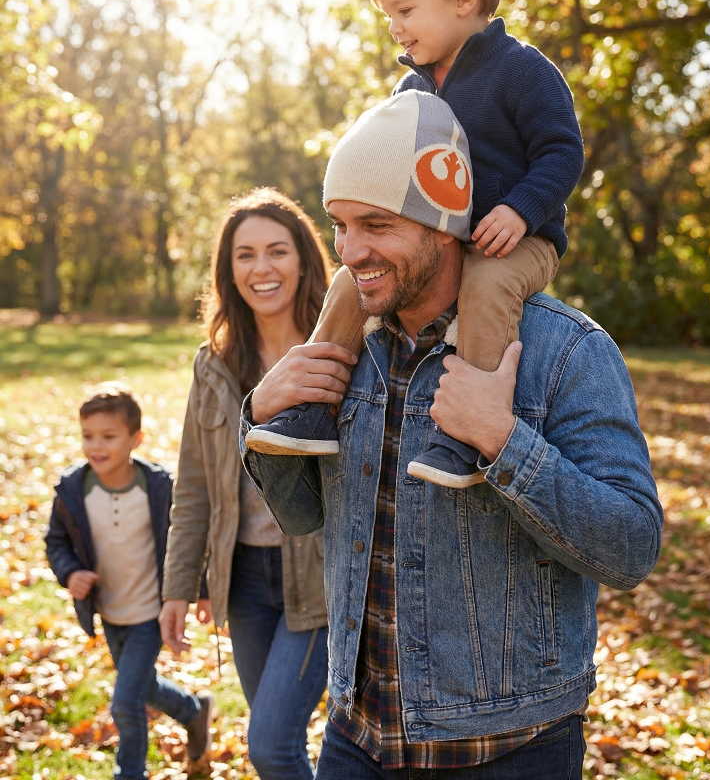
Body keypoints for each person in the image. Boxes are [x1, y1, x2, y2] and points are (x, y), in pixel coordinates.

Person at [240, 91, 663, 779]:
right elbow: (302, 515)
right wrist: (260, 420)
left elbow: (631, 548)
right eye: (340, 226)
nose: (351, 252)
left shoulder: (565, 352)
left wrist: (503, 441)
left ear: (444, 226)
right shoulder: (350, 349)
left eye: (376, 225)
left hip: (509, 747)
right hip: (358, 737)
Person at [246, 0, 584, 490]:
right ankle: (313, 407)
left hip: (518, 240)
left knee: (488, 286)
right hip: (439, 244)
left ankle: (464, 431)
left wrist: (521, 209)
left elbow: (562, 150)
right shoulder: (412, 92)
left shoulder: (521, 69)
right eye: (387, 16)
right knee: (347, 283)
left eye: (404, 10)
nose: (394, 28)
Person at [158, 188, 332, 780]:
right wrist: (179, 585)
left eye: (277, 251)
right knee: (277, 740)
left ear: (304, 260)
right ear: (228, 271)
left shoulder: (341, 349)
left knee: (270, 745)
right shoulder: (214, 364)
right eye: (245, 255)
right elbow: (195, 487)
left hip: (321, 577)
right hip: (245, 584)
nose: (262, 269)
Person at [45, 382, 213, 780]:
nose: (95, 446)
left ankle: (130, 773)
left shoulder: (157, 487)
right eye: (88, 436)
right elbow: (56, 541)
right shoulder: (73, 489)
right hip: (110, 611)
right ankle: (193, 711)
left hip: (151, 614)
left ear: (136, 439)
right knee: (143, 686)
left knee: (125, 703)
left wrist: (201, 589)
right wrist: (70, 572)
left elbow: (187, 539)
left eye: (108, 436)